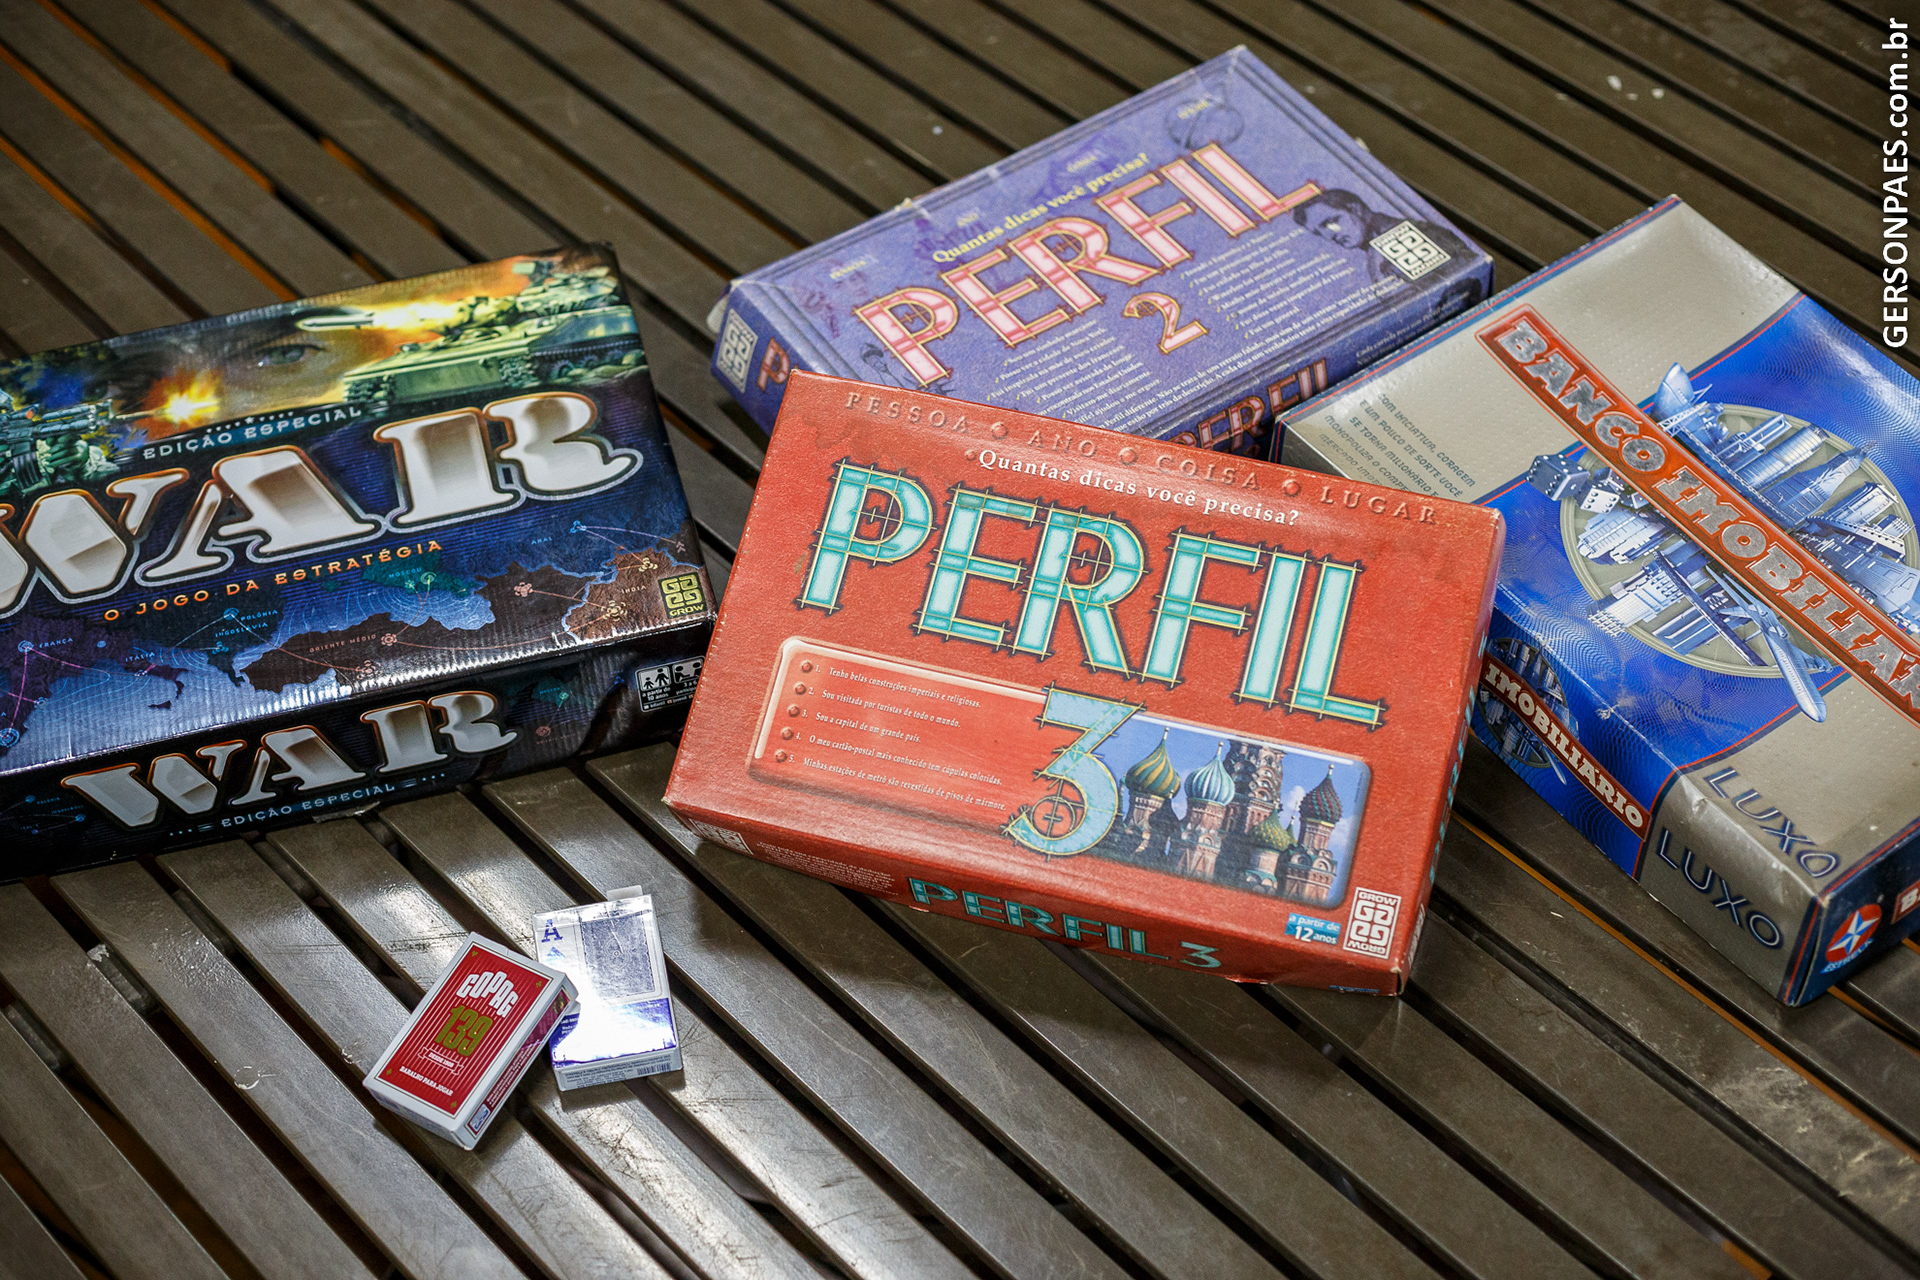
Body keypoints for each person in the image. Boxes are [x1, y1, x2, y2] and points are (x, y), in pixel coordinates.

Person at [1293, 188, 1479, 301]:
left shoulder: (1409, 235)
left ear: (1354, 208)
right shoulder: (1374, 252)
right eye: (1318, 232)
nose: (1329, 235)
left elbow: (1466, 275)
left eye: (1331, 222)